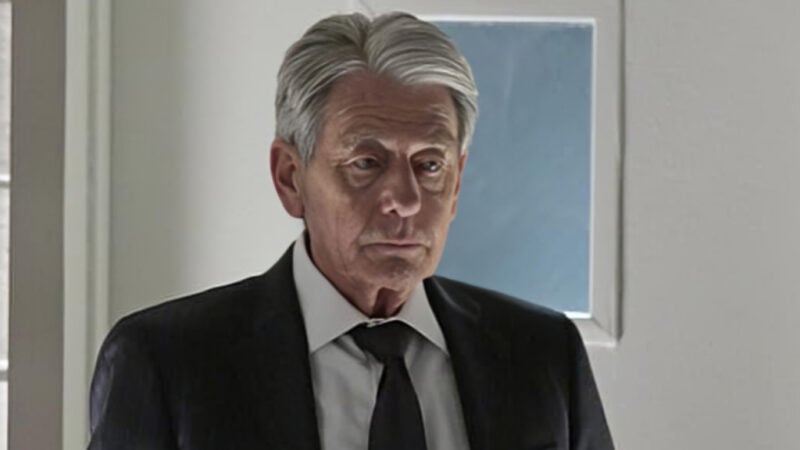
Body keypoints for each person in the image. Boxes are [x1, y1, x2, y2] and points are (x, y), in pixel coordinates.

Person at [88, 11, 614, 450]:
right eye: (366, 163)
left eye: (430, 165)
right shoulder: (166, 362)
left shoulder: (543, 354)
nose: (405, 199)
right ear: (290, 177)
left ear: (456, 184)